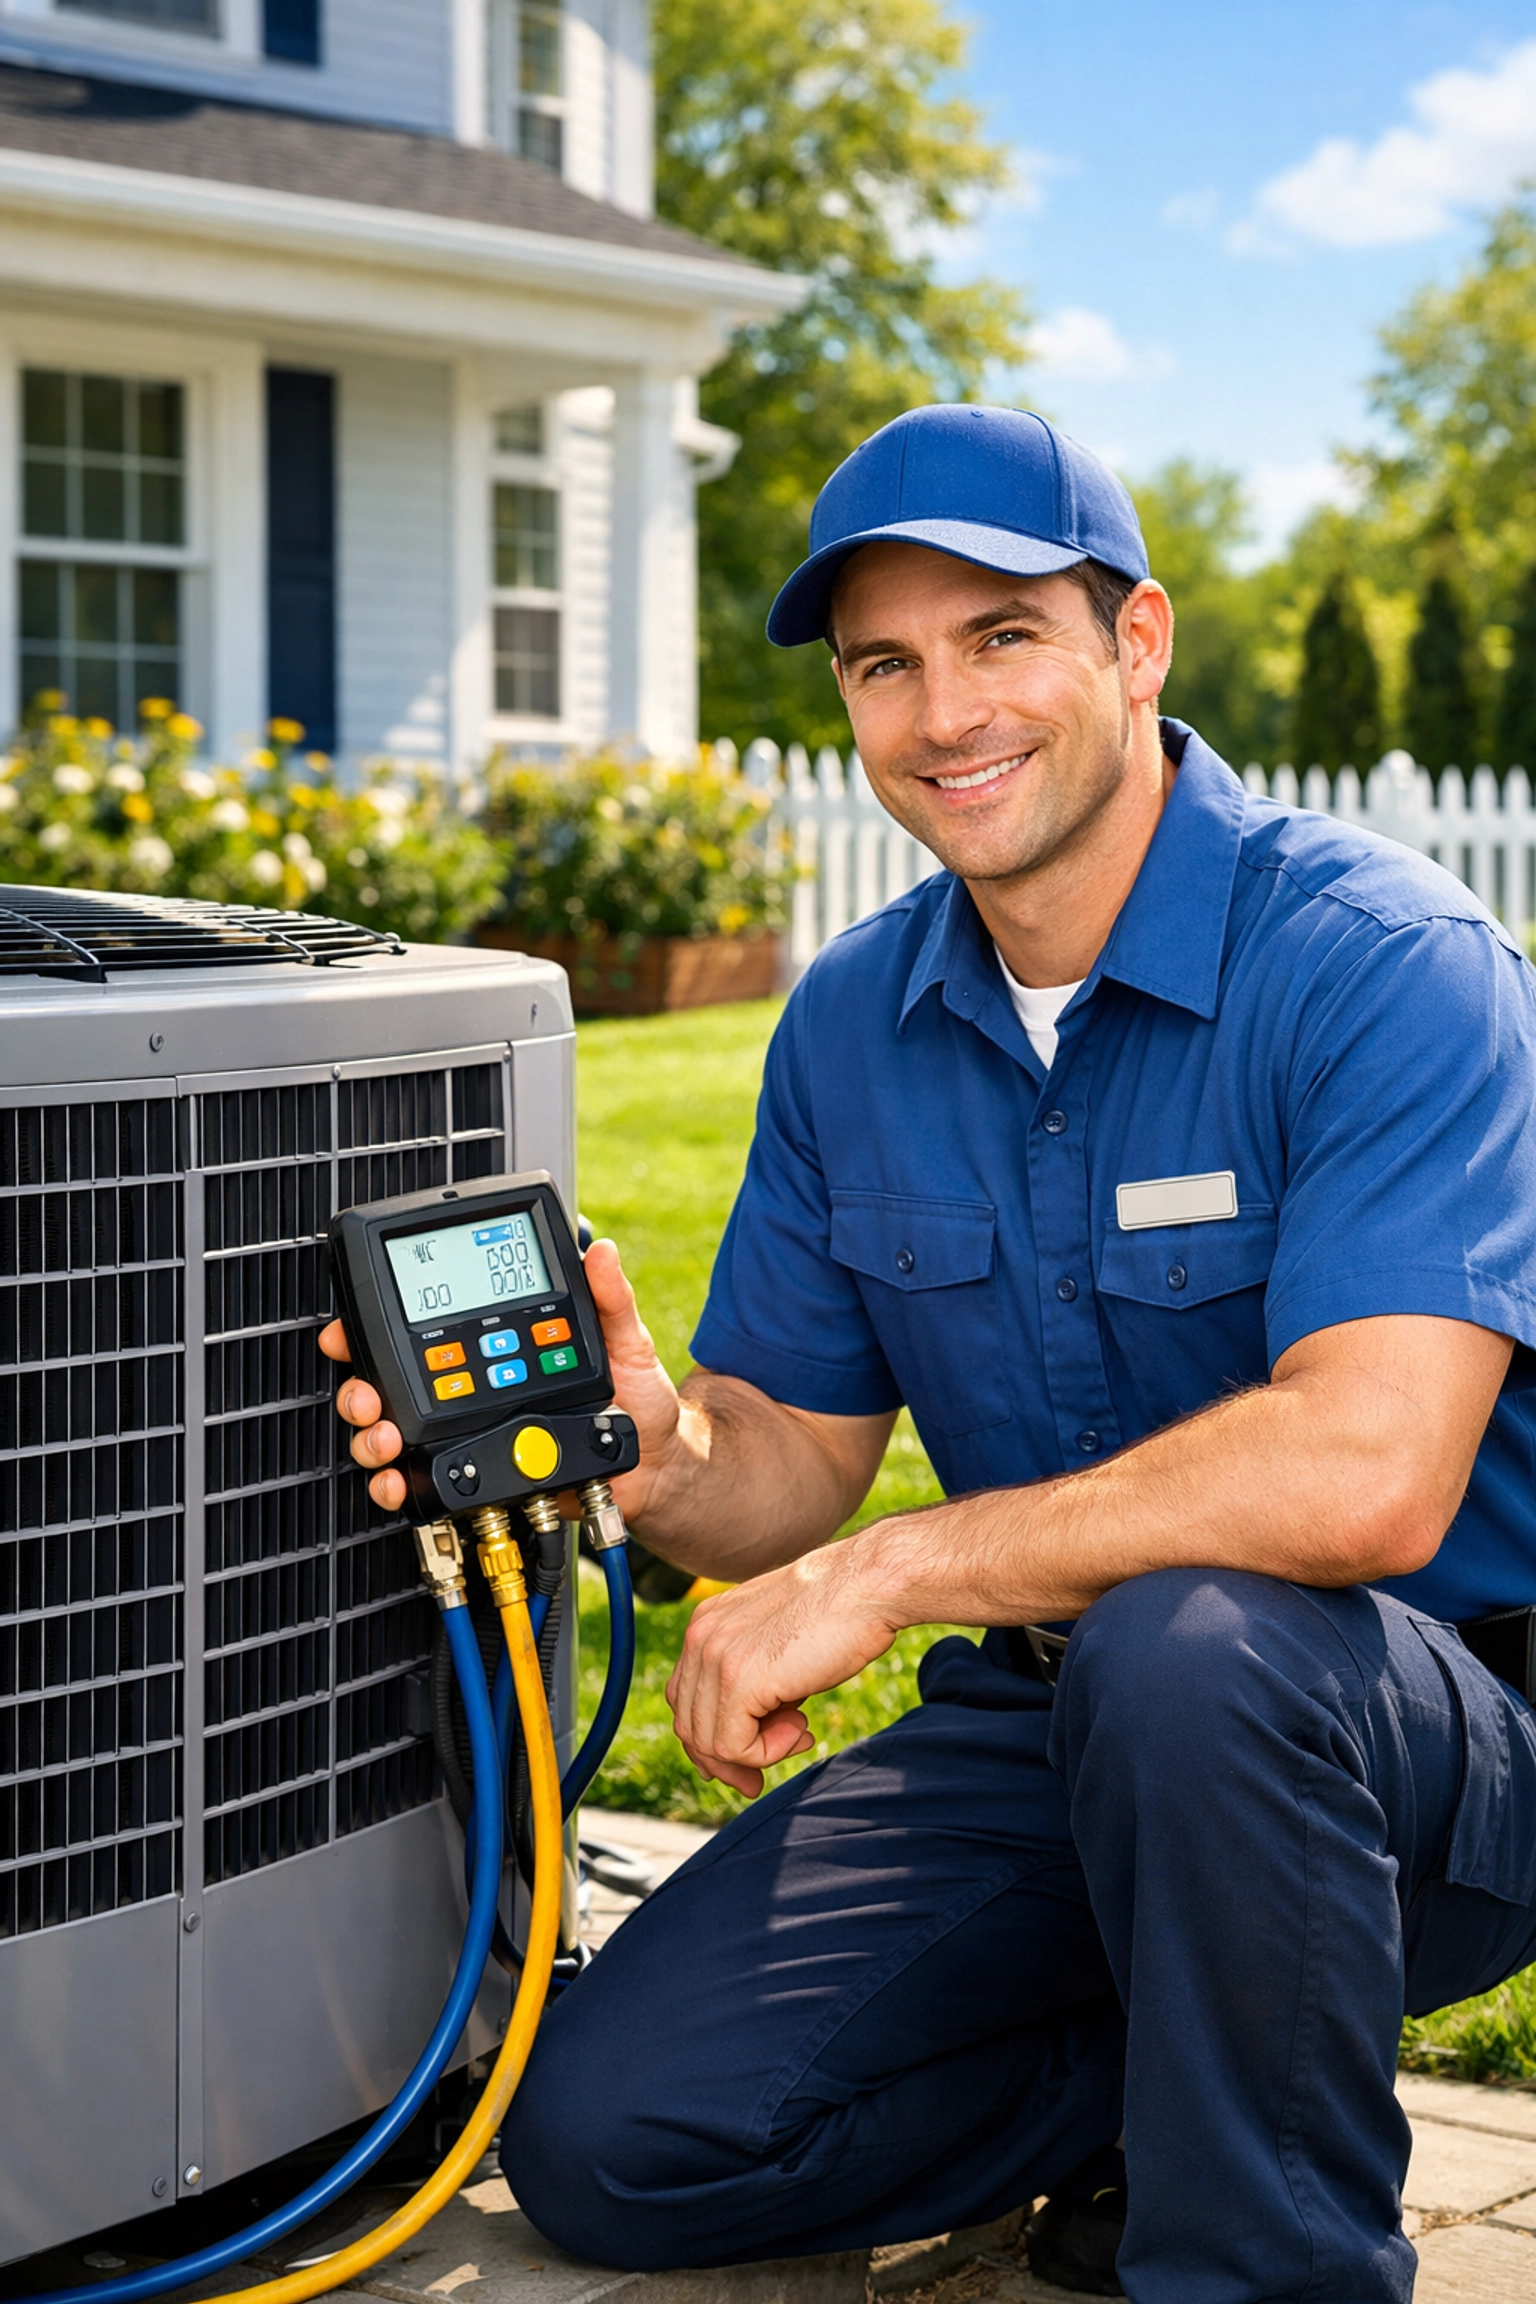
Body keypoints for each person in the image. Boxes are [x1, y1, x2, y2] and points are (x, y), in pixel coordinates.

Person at [322, 405, 1536, 2304]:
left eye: (1001, 637)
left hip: (1422, 1754)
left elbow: (1364, 1475)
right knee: (616, 2141)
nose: (942, 710)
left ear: (1134, 643)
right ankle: (1173, 2093)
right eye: (885, 663)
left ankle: (1267, 2254)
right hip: (1052, 1732)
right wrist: (654, 1442)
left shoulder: (1383, 961)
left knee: (1192, 1642)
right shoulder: (853, 1024)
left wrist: (883, 1572)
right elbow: (784, 1461)